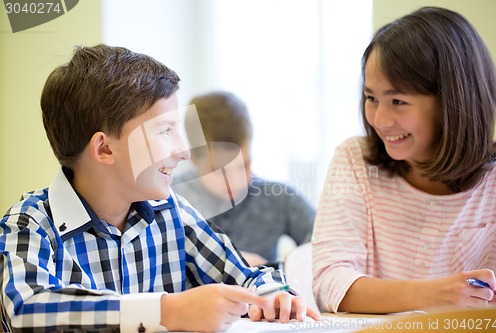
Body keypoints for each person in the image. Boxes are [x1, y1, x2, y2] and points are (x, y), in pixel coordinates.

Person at [0, 44, 321, 332]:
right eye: (165, 131)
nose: (182, 150)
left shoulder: (173, 212)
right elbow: (26, 309)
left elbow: (246, 277)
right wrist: (167, 310)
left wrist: (273, 295)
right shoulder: (29, 224)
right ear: (105, 150)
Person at [312, 6, 496, 314]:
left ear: (453, 101)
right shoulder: (354, 160)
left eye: (398, 101)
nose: (380, 119)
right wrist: (439, 294)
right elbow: (330, 282)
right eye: (371, 98)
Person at [173, 91, 315, 266]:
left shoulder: (278, 197)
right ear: (193, 157)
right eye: (219, 171)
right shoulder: (168, 200)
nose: (235, 180)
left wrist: (286, 267)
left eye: (244, 165)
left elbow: (325, 245)